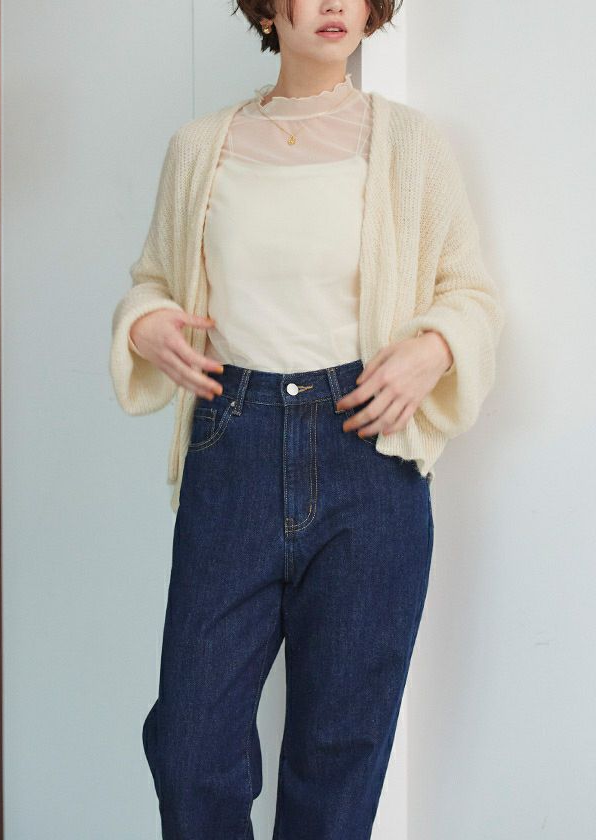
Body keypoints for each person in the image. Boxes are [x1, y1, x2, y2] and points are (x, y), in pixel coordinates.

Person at [109, 2, 505, 837]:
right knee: (189, 748)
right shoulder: (201, 147)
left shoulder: (410, 144)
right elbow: (154, 281)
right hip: (233, 446)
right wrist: (144, 324)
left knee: (338, 757)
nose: (332, 5)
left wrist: (433, 346)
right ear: (266, 8)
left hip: (369, 459)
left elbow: (469, 292)